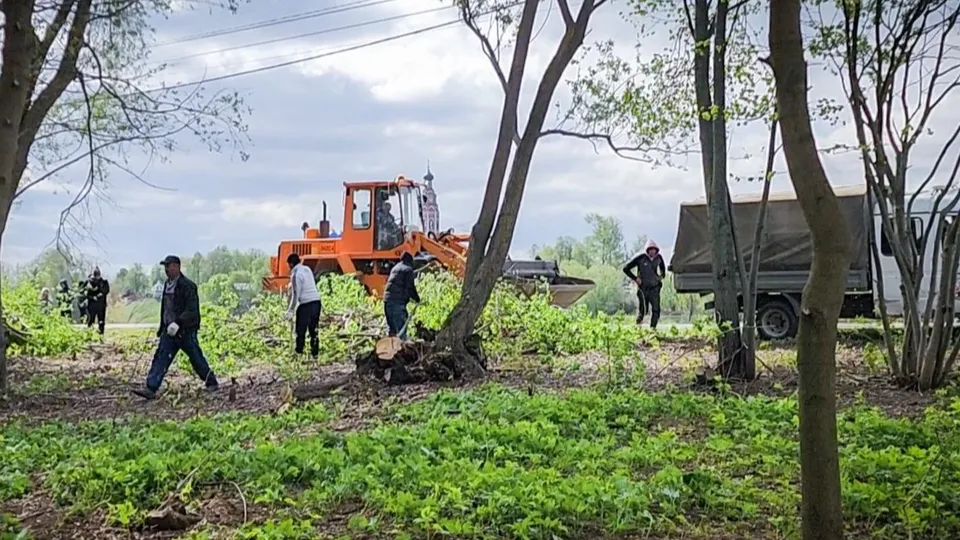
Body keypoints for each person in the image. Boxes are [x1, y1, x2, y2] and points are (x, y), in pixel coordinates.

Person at [132, 255, 219, 400]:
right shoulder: (167, 284)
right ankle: (151, 388)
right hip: (169, 331)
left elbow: (192, 310)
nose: (166, 269)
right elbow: (165, 308)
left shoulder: (188, 286)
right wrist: (163, 326)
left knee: (196, 357)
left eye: (169, 266)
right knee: (161, 357)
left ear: (177, 267)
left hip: (185, 331)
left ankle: (211, 381)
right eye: (165, 266)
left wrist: (178, 322)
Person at [623, 239, 667, 329]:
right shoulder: (641, 258)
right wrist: (635, 278)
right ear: (647, 250)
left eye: (654, 249)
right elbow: (626, 269)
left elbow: (663, 271)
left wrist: (660, 277)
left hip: (654, 288)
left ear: (656, 250)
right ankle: (638, 328)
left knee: (656, 310)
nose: (652, 251)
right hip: (643, 288)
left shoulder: (659, 258)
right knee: (643, 310)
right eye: (650, 249)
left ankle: (652, 329)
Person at [285, 253, 322, 359]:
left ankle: (298, 353)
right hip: (316, 302)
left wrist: (290, 310)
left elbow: (296, 294)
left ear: (291, 264)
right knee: (313, 329)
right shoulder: (307, 269)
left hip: (306, 304)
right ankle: (315, 354)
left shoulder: (296, 274)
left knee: (300, 330)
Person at [383, 252, 420, 340]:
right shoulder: (407, 270)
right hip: (397, 303)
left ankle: (391, 349)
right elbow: (410, 287)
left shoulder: (395, 268)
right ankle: (401, 349)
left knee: (392, 330)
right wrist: (417, 299)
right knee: (401, 330)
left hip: (387, 301)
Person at [85, 268, 110, 335]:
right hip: (92, 305)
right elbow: (86, 294)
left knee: (101, 321)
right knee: (91, 320)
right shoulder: (90, 282)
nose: (97, 278)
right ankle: (89, 335)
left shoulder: (103, 282)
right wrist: (93, 296)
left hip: (101, 305)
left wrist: (100, 293)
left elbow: (106, 290)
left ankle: (101, 335)